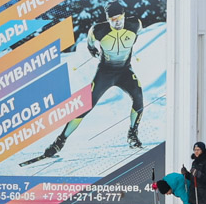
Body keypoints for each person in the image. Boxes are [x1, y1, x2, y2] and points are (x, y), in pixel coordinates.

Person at [24, 11, 145, 161]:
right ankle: (59, 142)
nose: (117, 22)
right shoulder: (99, 30)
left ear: (124, 16)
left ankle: (132, 134)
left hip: (125, 72)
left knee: (139, 97)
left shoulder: (135, 24)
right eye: (113, 19)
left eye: (119, 18)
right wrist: (92, 49)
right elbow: (90, 41)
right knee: (86, 105)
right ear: (108, 20)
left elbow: (137, 34)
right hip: (105, 73)